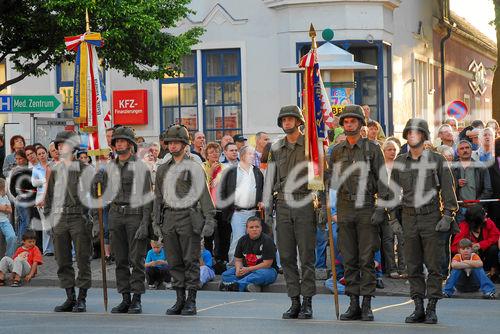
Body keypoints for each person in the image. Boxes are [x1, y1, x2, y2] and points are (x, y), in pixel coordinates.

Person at [389, 118, 458, 324]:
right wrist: (393, 219)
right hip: (408, 217)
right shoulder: (400, 162)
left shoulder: (437, 160)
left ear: (424, 136)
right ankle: (418, 306)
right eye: (409, 132)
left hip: (431, 217)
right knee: (412, 265)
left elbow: (448, 191)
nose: (412, 135)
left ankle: (432, 306)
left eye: (417, 132)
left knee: (435, 265)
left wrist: (448, 216)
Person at [329, 105, 389, 322]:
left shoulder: (372, 149)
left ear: (361, 124)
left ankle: (367, 304)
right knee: (348, 258)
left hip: (365, 207)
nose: (349, 124)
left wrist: (381, 208)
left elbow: (383, 181)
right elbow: (331, 180)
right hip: (344, 207)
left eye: (353, 121)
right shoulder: (337, 151)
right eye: (345, 121)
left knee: (366, 258)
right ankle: (353, 302)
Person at [153, 124, 216, 316]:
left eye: (176, 142)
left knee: (190, 261)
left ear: (184, 144)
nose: (172, 146)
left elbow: (203, 195)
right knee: (174, 261)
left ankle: (191, 301)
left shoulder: (194, 167)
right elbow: (158, 197)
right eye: (170, 143)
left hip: (189, 217)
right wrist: (156, 222)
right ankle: (179, 299)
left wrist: (210, 219)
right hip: (169, 217)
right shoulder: (163, 169)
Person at [264, 105, 316, 319]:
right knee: (286, 256)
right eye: (283, 120)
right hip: (283, 204)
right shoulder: (276, 148)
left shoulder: (311, 146)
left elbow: (322, 177)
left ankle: (307, 302)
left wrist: (320, 204)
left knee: (306, 256)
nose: (287, 123)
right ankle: (294, 299)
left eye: (290, 119)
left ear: (298, 121)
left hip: (304, 202)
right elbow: (269, 180)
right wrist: (267, 207)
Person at [101, 126, 153, 314]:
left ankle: (137, 298)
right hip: (115, 215)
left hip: (135, 215)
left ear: (130, 144)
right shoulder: (109, 167)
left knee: (136, 259)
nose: (119, 144)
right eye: (116, 141)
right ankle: (125, 297)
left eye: (122, 141)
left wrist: (145, 223)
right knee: (120, 259)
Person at [44, 131, 93, 313]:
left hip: (78, 217)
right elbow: (49, 197)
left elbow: (95, 195)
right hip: (59, 219)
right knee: (62, 260)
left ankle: (82, 298)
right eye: (59, 146)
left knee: (82, 259)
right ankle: (70, 297)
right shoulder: (54, 170)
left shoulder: (84, 168)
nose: (61, 148)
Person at [219, 145, 264, 264]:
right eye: (250, 154)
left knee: (254, 240)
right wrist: (227, 210)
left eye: (253, 154)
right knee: (238, 240)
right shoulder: (231, 171)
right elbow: (223, 192)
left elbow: (261, 189)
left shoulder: (257, 171)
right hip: (237, 212)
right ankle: (233, 267)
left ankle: (251, 265)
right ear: (243, 155)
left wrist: (261, 200)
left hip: (254, 212)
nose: (253, 156)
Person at [220, 217, 278, 292]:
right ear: (247, 229)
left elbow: (267, 264)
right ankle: (249, 285)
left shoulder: (267, 241)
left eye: (257, 227)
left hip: (266, 270)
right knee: (226, 275)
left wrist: (248, 269)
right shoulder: (242, 240)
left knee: (262, 274)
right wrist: (238, 269)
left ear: (261, 228)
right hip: (247, 270)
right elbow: (238, 260)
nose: (254, 229)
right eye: (251, 227)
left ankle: (236, 285)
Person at [451, 205, 499, 277]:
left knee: (494, 249)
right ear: (478, 219)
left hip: (485, 255)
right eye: (483, 213)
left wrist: (481, 245)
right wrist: (468, 247)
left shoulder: (488, 222)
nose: (486, 214)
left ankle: (492, 273)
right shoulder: (463, 227)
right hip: (469, 258)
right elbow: (454, 248)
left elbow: (496, 236)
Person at [452, 139, 492, 223]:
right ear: (458, 152)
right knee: (461, 235)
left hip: (477, 210)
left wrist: (476, 204)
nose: (465, 150)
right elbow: (446, 190)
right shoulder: (452, 168)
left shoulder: (481, 167)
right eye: (462, 149)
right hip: (459, 210)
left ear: (471, 150)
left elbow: (488, 190)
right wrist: (456, 183)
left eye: (467, 148)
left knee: (478, 235)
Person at [32, 146, 53, 256]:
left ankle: (56, 247)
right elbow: (34, 183)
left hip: (53, 196)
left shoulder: (52, 165)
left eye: (43, 153)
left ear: (47, 153)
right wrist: (46, 178)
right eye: (39, 154)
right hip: (40, 197)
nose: (42, 155)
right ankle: (48, 249)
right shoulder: (36, 168)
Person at [0, 178, 16, 258]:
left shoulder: (5, 197)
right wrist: (4, 207)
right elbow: (5, 208)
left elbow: (10, 210)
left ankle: (9, 258)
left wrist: (3, 208)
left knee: (12, 237)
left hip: (5, 221)